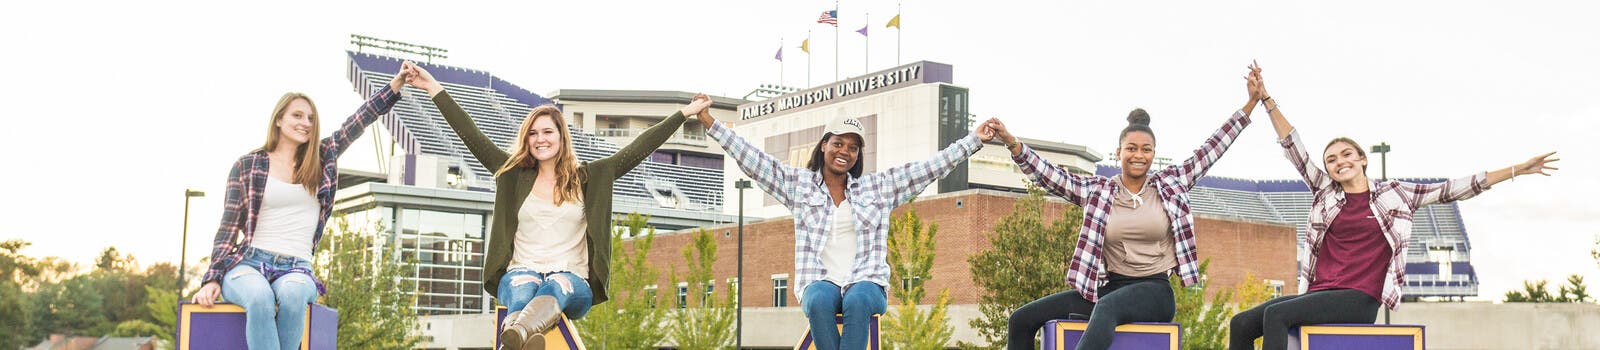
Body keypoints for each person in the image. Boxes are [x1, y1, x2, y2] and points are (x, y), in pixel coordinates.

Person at [1228, 62, 1560, 350]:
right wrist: (1266, 100)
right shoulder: (1325, 191)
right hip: (1319, 292)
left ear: (1362, 159)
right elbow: (1293, 146)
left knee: (1277, 314)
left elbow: (1457, 188)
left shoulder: (1396, 195)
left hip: (1359, 298)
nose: (1339, 162)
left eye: (1346, 155)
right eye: (1331, 160)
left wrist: (1517, 169)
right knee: (1241, 324)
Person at [401, 62, 712, 350]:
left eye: (547, 131)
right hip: (521, 271)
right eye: (533, 133)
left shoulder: (591, 177)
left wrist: (683, 114)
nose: (540, 139)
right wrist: (433, 88)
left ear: (561, 136)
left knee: (556, 285)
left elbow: (637, 148)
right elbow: (471, 136)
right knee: (524, 288)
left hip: (572, 280)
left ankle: (516, 332)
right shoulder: (511, 175)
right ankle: (522, 334)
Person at [988, 63, 1266, 350]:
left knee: (1107, 308)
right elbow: (1052, 177)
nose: (1138, 155)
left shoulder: (1169, 185)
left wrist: (1250, 104)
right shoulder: (1099, 191)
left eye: (1146, 150)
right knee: (1021, 319)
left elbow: (1212, 149)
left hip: (1155, 291)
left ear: (1153, 155)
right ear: (1118, 152)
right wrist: (1012, 142)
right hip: (1109, 287)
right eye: (1131, 148)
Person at [691, 107, 995, 349]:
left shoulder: (877, 189)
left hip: (867, 285)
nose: (844, 151)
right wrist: (709, 121)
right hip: (819, 283)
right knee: (821, 298)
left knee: (857, 298)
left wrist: (974, 140)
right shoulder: (800, 186)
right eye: (838, 143)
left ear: (858, 154)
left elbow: (930, 168)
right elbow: (755, 162)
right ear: (824, 145)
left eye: (852, 147)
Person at [191, 63, 411, 350]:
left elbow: (360, 119)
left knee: (294, 296)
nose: (305, 123)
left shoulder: (322, 158)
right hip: (248, 263)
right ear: (279, 120)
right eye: (297, 115)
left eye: (310, 118)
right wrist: (212, 278)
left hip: (296, 267)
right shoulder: (248, 166)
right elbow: (228, 227)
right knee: (260, 299)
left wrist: (396, 85)